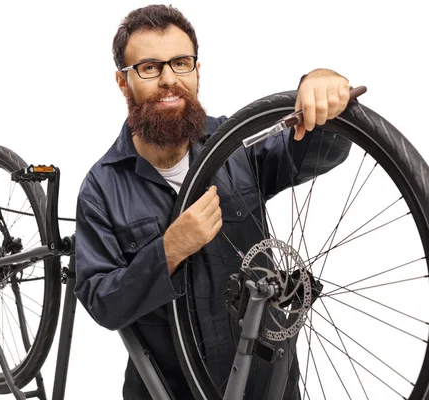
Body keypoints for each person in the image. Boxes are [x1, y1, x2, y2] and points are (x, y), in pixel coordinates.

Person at [73, 4, 353, 399]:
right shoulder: (101, 187)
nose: (169, 79)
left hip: (266, 384)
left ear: (197, 71)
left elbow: (313, 150)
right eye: (150, 68)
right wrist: (168, 251)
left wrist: (323, 89)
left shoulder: (235, 146)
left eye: (181, 63)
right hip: (170, 390)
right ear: (123, 82)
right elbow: (101, 301)